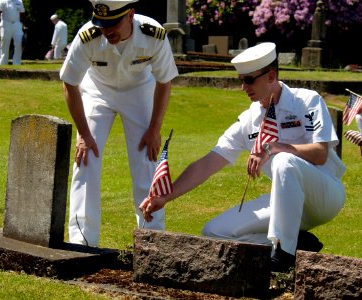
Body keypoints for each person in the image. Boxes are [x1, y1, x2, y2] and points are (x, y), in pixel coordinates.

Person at [140, 42, 346, 273]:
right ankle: (296, 244)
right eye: (241, 80)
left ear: (271, 75)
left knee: (283, 160)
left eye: (249, 80)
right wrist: (166, 197)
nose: (243, 87)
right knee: (215, 232)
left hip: (324, 195)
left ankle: (284, 256)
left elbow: (320, 154)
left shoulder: (307, 101)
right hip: (284, 201)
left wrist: (274, 147)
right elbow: (208, 163)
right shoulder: (249, 119)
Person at [60, 0, 178, 247]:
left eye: (113, 24)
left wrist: (155, 129)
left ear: (130, 15)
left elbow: (164, 81)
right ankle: (82, 241)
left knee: (147, 158)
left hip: (139, 92)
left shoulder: (153, 34)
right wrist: (83, 133)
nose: (107, 31)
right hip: (97, 91)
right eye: (102, 24)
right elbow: (69, 83)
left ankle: (151, 240)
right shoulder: (87, 36)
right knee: (86, 158)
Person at [0, 0, 26, 65]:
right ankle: (3, 63)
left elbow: (22, 14)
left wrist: (23, 25)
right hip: (6, 23)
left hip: (17, 23)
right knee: (5, 44)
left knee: (19, 42)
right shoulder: (2, 1)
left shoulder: (19, 1)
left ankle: (17, 63)